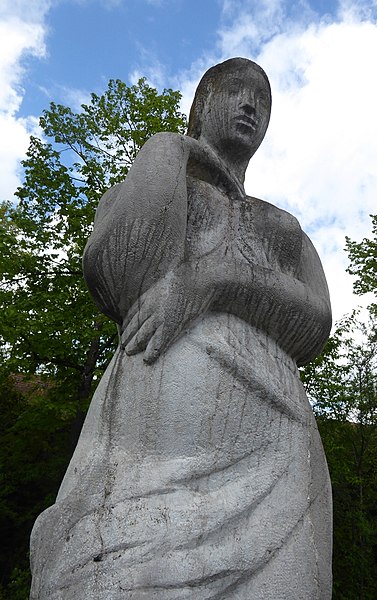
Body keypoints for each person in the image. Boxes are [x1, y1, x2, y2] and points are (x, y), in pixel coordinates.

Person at [30, 58, 332, 600]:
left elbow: (316, 321)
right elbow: (126, 272)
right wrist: (171, 148)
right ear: (202, 104)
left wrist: (213, 280)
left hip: (278, 435)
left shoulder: (284, 226)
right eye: (236, 92)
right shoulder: (162, 176)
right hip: (154, 427)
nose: (251, 106)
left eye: (262, 101)